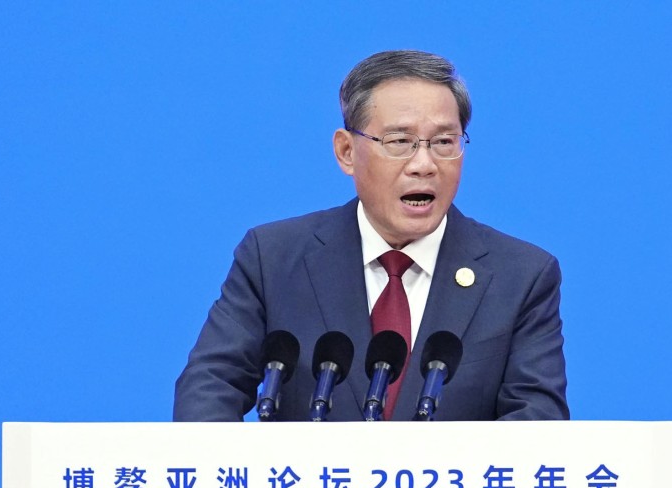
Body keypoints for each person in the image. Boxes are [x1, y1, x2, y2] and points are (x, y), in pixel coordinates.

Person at [173, 50, 568, 422]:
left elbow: (537, 423)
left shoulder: (521, 276)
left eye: (444, 142)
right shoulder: (274, 258)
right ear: (347, 152)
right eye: (400, 142)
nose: (424, 164)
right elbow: (208, 389)